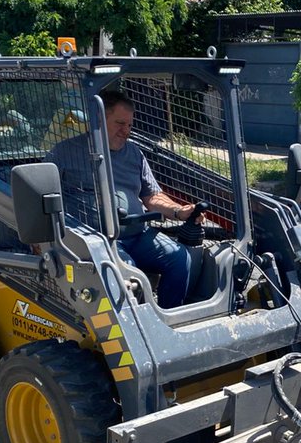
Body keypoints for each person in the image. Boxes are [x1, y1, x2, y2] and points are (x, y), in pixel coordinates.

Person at [47, 92, 197, 308]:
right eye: (120, 123)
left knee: (179, 257)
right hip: (97, 241)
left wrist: (178, 211)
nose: (126, 131)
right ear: (98, 119)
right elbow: (42, 196)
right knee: (127, 270)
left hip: (138, 235)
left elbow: (152, 196)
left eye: (129, 125)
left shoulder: (134, 153)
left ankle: (169, 315)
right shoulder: (64, 153)